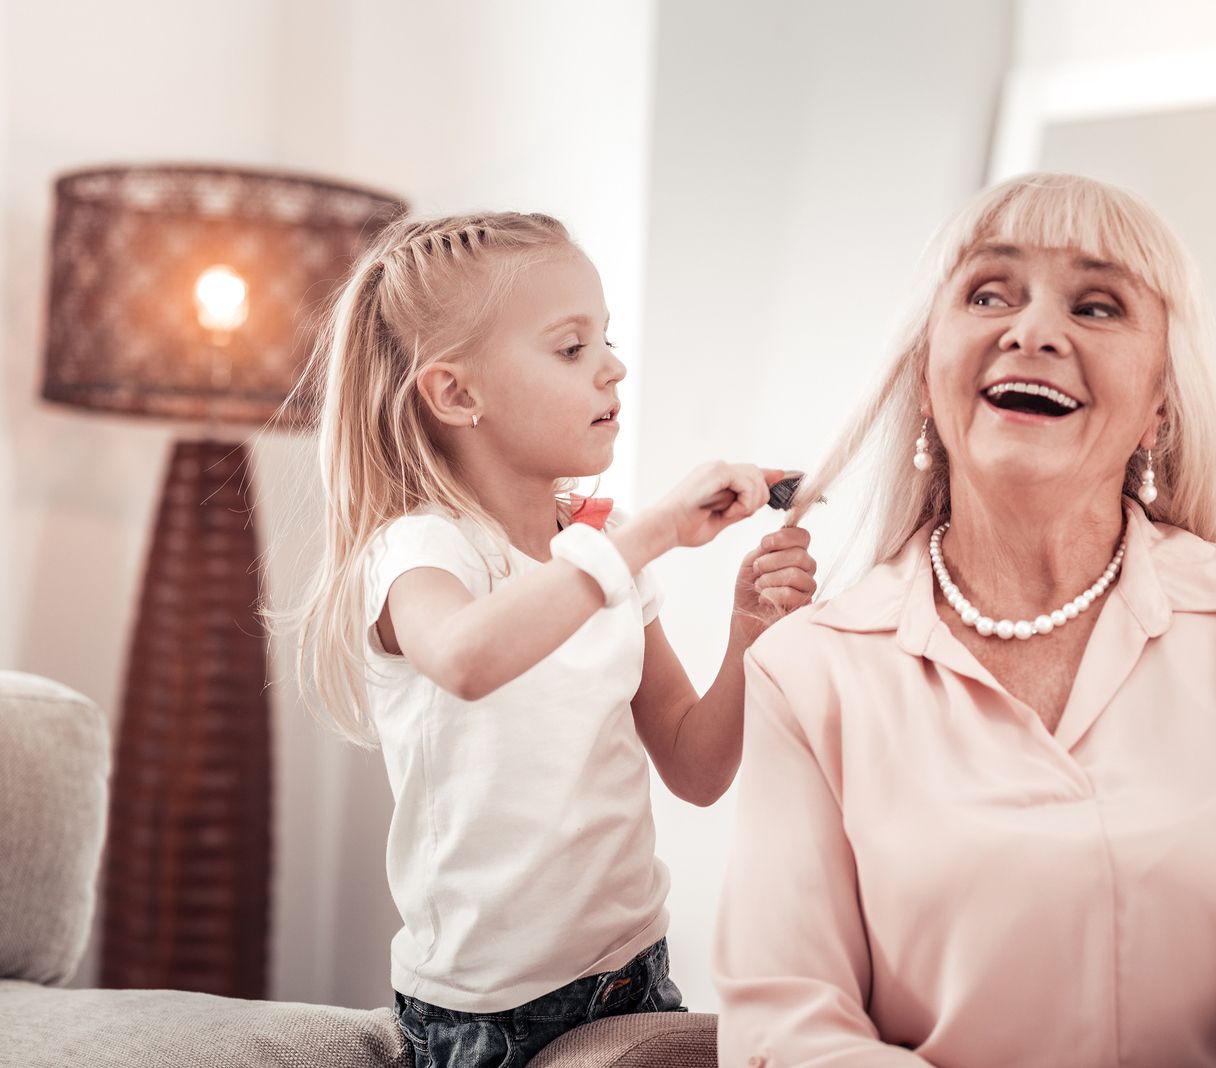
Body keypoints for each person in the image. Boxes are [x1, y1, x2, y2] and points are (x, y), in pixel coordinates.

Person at [713, 174, 1216, 1067]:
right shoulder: (808, 670)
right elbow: (786, 1022)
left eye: (1098, 307)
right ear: (923, 376)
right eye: (989, 293)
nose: (1032, 332)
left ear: (1159, 407)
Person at [275, 211, 817, 1067]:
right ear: (457, 394)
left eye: (605, 338)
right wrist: (648, 537)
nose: (614, 366)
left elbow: (697, 768)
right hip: (487, 1018)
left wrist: (748, 633)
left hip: (632, 974)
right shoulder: (422, 550)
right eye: (571, 349)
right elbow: (463, 658)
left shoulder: (605, 551)